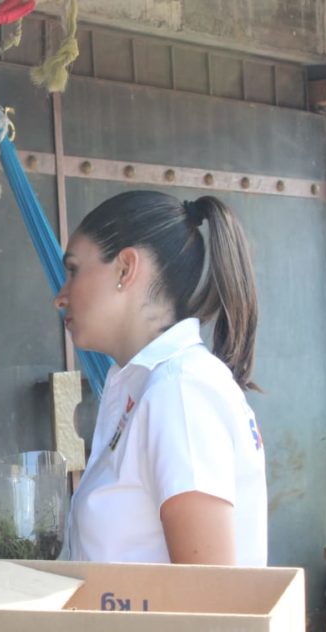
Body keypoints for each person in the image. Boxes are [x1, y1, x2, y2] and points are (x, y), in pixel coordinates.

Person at [53, 190, 267, 566]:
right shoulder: (149, 385)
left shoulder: (180, 391)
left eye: (73, 270)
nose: (61, 296)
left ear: (125, 268)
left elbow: (210, 598)